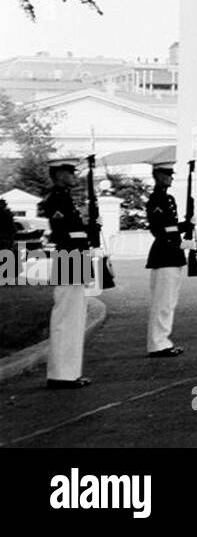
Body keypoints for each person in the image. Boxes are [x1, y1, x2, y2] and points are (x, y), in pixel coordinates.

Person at [44, 158, 92, 387]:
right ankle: (60, 373)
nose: (74, 176)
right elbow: (63, 234)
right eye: (70, 172)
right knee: (66, 316)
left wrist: (90, 229)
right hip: (67, 257)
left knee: (76, 316)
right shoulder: (55, 200)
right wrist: (84, 233)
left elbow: (75, 232)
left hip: (75, 257)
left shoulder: (66, 199)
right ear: (59, 174)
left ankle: (70, 372)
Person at [144, 161, 186, 357]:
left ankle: (162, 340)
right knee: (163, 301)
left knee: (169, 301)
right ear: (157, 176)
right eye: (167, 174)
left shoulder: (168, 199)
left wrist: (183, 227)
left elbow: (171, 227)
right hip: (164, 253)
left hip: (172, 253)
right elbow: (159, 229)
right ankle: (157, 342)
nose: (170, 177)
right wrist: (181, 228)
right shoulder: (155, 200)